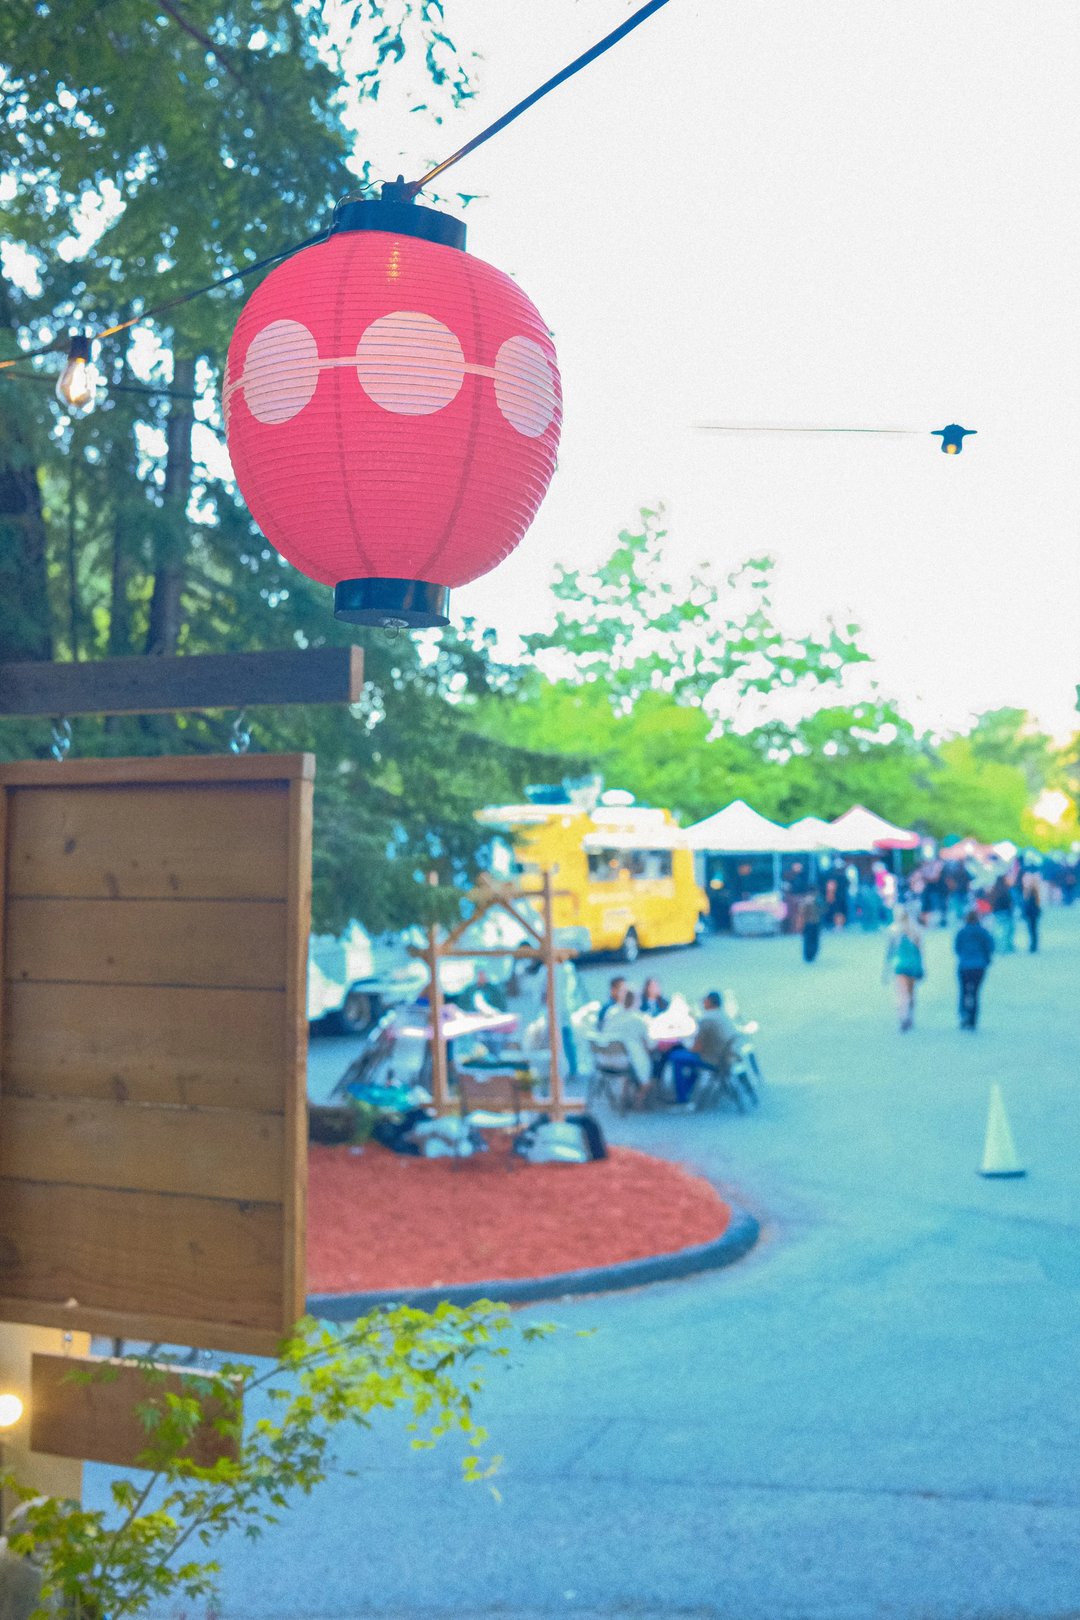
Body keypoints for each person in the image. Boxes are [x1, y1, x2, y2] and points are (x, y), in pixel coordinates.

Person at [667, 990, 740, 1104]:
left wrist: (684, 1045)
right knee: (687, 1058)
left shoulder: (707, 1019)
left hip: (714, 1060)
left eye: (704, 1001)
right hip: (728, 1058)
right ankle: (687, 1089)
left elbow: (697, 1049)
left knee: (676, 1057)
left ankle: (681, 1096)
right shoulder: (723, 1016)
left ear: (710, 1003)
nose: (702, 1003)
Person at [598, 987, 653, 1095]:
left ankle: (625, 1098)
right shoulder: (638, 1019)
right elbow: (649, 1045)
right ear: (637, 1000)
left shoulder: (612, 1012)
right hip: (626, 1062)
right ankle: (640, 1100)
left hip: (603, 1059)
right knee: (651, 1061)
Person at [884, 907, 925, 1032]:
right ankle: (910, 1016)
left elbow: (889, 953)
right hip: (913, 966)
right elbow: (920, 951)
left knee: (902, 994)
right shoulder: (916, 930)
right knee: (911, 993)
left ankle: (903, 1017)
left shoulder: (894, 930)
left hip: (899, 966)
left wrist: (886, 970)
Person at [954, 907, 994, 1029]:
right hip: (979, 966)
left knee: (964, 992)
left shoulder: (961, 932)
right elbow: (990, 946)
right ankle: (973, 1019)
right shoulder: (983, 932)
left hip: (964, 966)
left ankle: (963, 1014)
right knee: (975, 993)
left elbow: (957, 948)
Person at [988, 875, 1015, 954]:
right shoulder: (1006, 890)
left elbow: (990, 901)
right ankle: (1007, 947)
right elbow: (1010, 902)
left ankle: (997, 947)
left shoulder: (994, 890)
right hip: (1006, 913)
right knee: (1007, 931)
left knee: (998, 931)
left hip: (997, 913)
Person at [1021, 874, 1042, 953]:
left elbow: (1029, 905)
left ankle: (1033, 946)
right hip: (1033, 915)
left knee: (1032, 930)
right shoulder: (1033, 892)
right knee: (1033, 930)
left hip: (1031, 915)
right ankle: (1033, 945)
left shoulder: (1031, 892)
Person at [800, 891, 822, 963]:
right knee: (810, 940)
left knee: (812, 940)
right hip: (810, 923)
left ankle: (811, 954)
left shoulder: (817, 902)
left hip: (813, 923)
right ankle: (809, 955)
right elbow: (801, 912)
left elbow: (822, 910)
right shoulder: (806, 903)